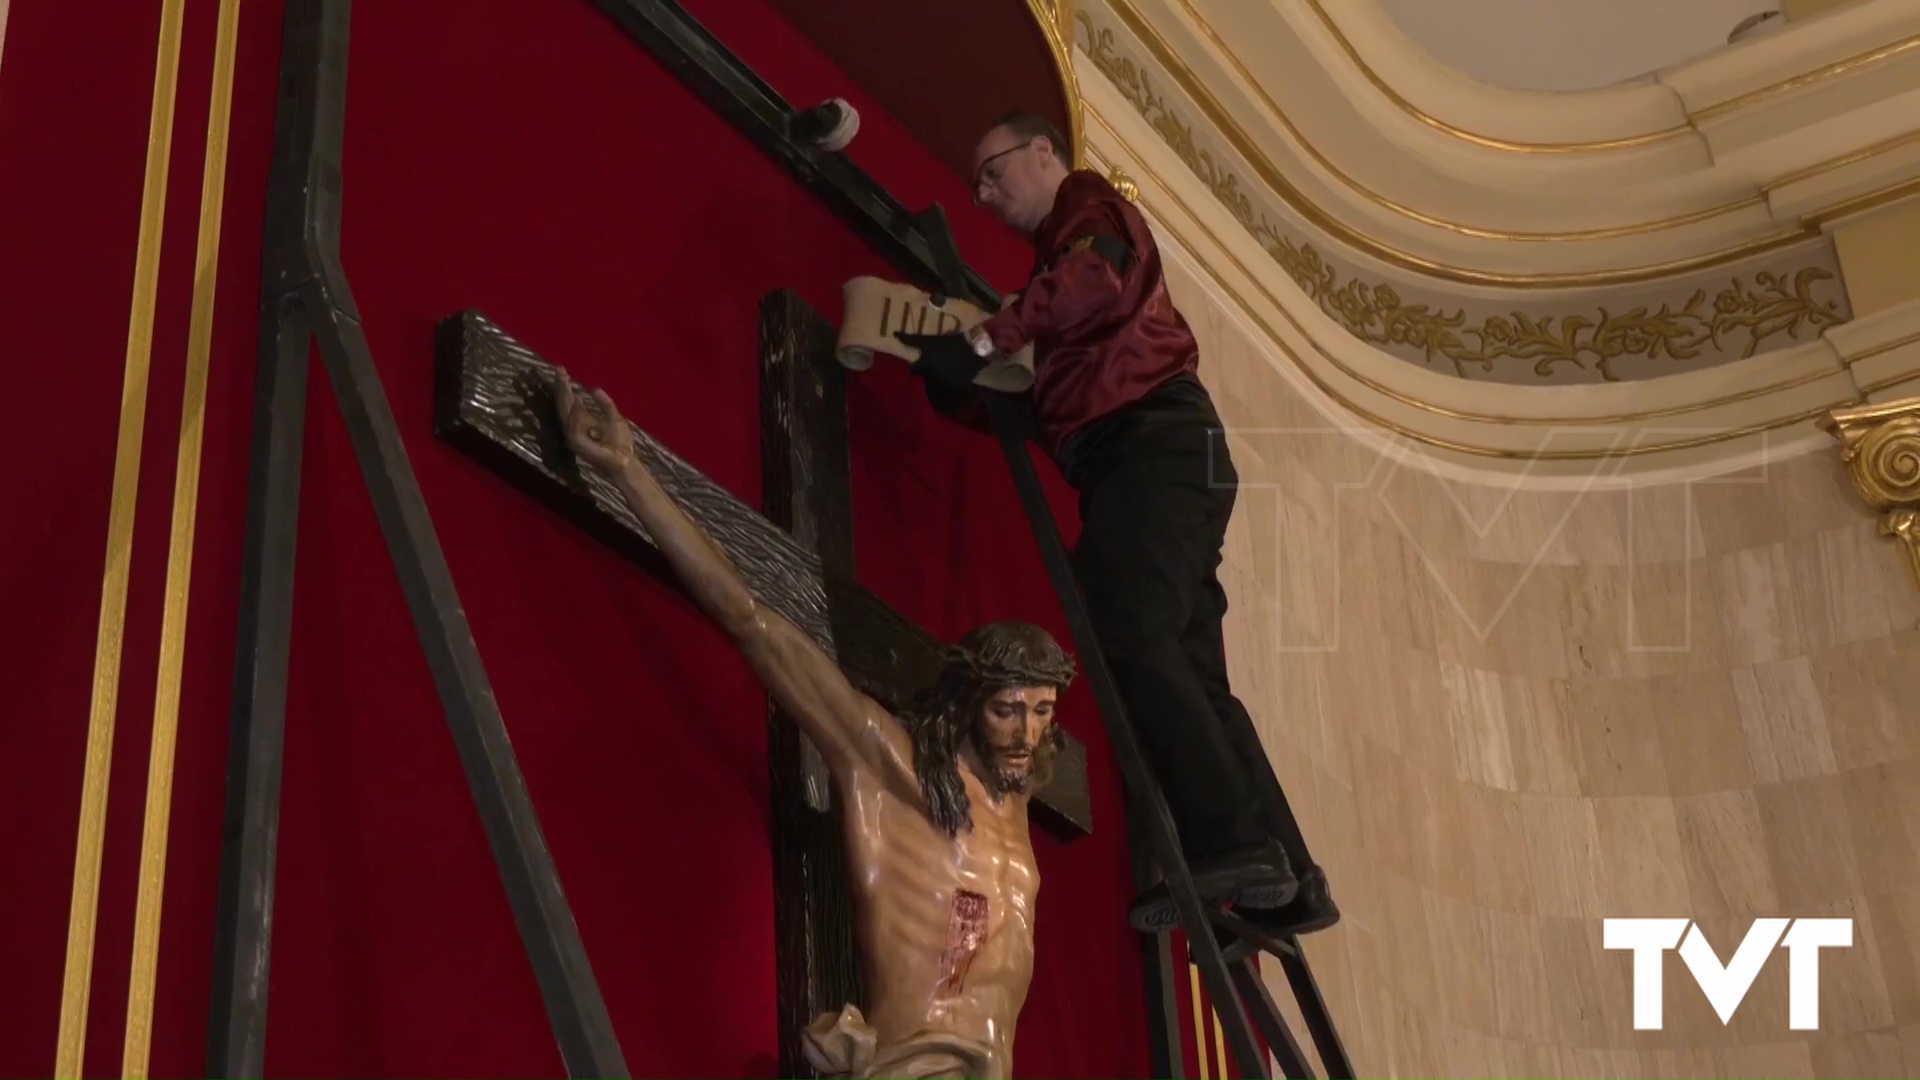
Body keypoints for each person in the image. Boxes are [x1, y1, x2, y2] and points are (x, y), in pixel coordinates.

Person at [555, 372, 1078, 1080]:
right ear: (965, 705)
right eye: (1007, 709)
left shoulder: (1015, 806)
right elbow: (753, 624)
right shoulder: (892, 765)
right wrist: (628, 472)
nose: (1026, 731)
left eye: (1042, 711)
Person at [893, 111, 1338, 941]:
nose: (987, 195)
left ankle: (1232, 845)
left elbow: (1089, 286)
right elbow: (1061, 403)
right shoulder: (1064, 290)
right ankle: (1288, 869)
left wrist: (986, 335)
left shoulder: (1087, 213)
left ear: (1042, 153)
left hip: (1153, 447)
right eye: (978, 187)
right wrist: (960, 389)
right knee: (1188, 667)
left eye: (994, 172)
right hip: (1161, 454)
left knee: (1128, 631)